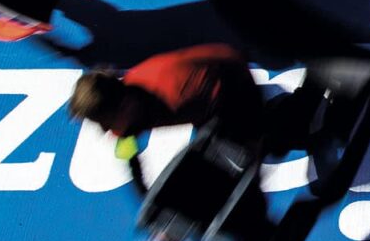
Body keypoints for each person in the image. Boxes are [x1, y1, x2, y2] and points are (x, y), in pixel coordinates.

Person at [68, 43, 264, 157]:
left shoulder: (179, 99)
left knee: (249, 150)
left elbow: (223, 112)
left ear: (126, 106)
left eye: (109, 123)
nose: (110, 131)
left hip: (233, 84)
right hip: (208, 94)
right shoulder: (128, 103)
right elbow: (131, 152)